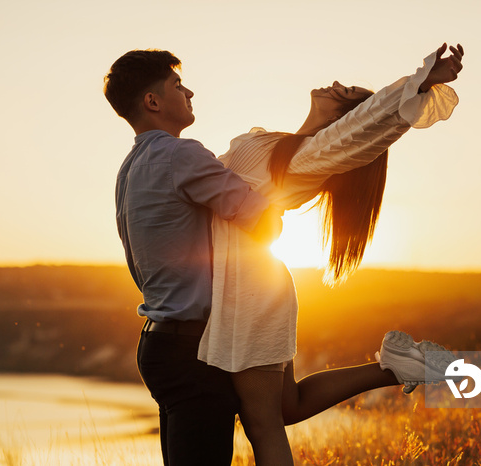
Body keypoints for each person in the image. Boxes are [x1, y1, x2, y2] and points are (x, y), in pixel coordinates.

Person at [197, 43, 465, 465]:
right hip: (254, 290)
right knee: (287, 407)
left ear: (348, 119)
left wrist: (420, 81)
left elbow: (367, 122)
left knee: (262, 424)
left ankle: (395, 367)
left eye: (347, 93)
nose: (337, 84)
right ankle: (393, 368)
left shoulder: (309, 159)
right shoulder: (272, 143)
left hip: (247, 295)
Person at [104, 50, 281, 466]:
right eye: (177, 86)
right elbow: (265, 222)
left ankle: (421, 369)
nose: (189, 91)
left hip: (160, 342)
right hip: (193, 350)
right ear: (153, 101)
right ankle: (429, 370)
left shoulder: (130, 166)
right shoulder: (180, 154)